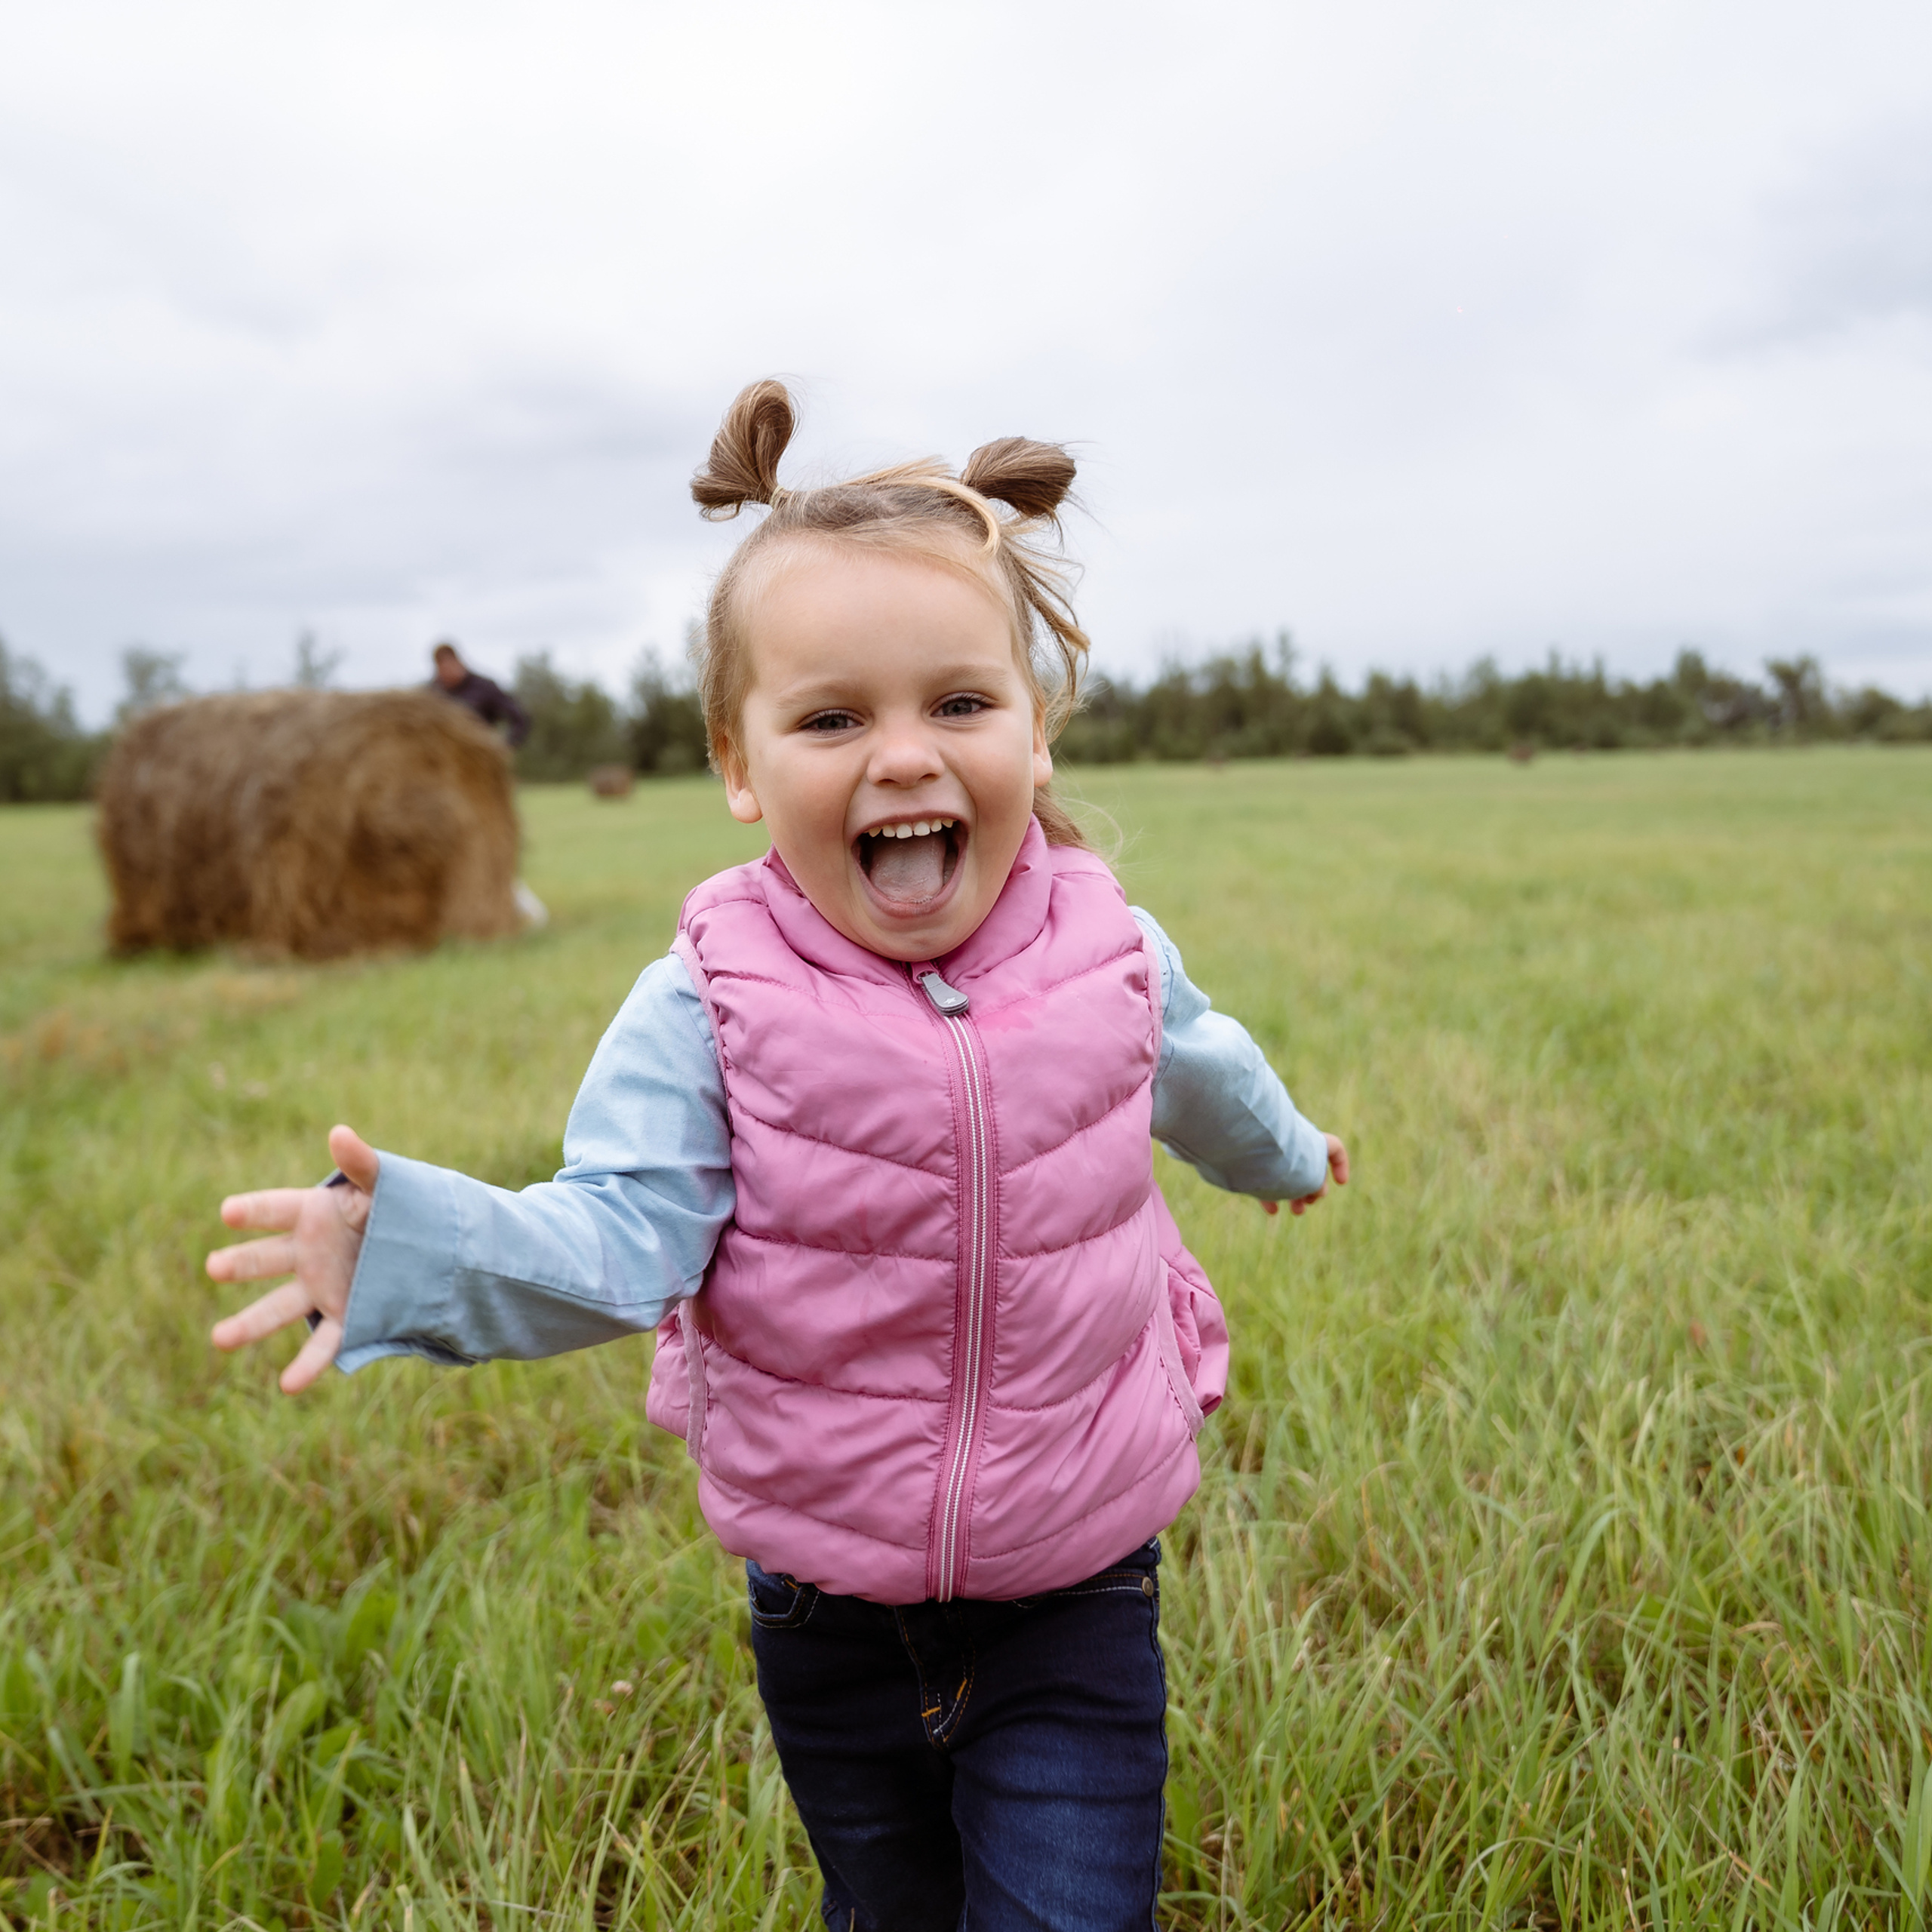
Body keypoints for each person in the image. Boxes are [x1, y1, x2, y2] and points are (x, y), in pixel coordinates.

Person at [207, 380, 1349, 1931]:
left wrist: (1283, 1156)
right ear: (738, 765)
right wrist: (409, 1244)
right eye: (830, 717)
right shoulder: (707, 996)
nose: (901, 757)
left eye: (958, 703)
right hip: (823, 1601)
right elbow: (618, 1236)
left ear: (1034, 720)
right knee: (885, 1904)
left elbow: (1205, 1076)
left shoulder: (1108, 949)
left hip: (1075, 1582)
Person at [428, 639, 531, 749]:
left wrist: (503, 747)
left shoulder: (484, 687)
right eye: (441, 668)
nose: (446, 672)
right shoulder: (431, 694)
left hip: (480, 759)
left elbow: (519, 718)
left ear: (458, 662)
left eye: (449, 665)